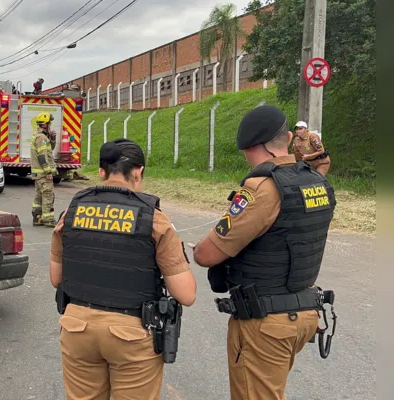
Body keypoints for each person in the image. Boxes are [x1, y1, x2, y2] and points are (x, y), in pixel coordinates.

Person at [191, 106, 337, 400]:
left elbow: (206, 255)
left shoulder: (261, 189)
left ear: (247, 148)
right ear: (286, 137)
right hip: (303, 313)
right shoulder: (316, 181)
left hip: (265, 322)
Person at [50, 138, 197, 400]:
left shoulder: (71, 211)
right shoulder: (154, 218)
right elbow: (186, 294)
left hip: (76, 327)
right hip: (130, 334)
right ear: (138, 172)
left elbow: (55, 278)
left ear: (101, 172)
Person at [30, 112, 57, 227]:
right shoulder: (42, 138)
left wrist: (53, 138)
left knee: (39, 196)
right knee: (48, 194)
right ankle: (49, 219)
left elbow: (49, 149)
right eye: (49, 123)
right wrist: (48, 171)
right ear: (45, 124)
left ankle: (37, 217)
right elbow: (42, 156)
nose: (50, 125)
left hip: (37, 174)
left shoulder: (38, 136)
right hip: (43, 173)